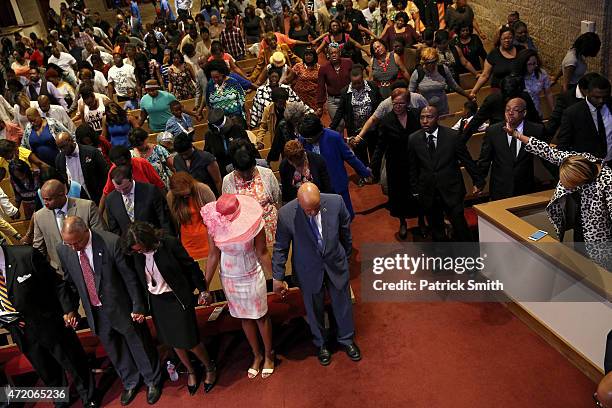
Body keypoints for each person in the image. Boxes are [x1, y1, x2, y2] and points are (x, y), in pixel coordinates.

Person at [57, 216, 163, 405]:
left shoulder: (110, 242)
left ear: (86, 230)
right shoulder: (63, 250)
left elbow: (130, 278)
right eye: (69, 243)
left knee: (139, 344)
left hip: (122, 307)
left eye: (77, 242)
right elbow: (70, 283)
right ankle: (130, 381)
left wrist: (138, 306)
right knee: (115, 349)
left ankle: (152, 380)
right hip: (95, 311)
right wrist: (70, 309)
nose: (73, 247)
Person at [122, 222, 217, 395]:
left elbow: (191, 267)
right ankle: (191, 371)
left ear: (148, 240)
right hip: (158, 302)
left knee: (191, 341)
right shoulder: (136, 255)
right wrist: (140, 307)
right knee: (173, 342)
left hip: (177, 298)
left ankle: (209, 367)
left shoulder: (169, 243)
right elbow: (138, 280)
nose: (139, 252)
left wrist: (203, 290)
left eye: (141, 248)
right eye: (136, 250)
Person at [272, 182, 360, 365]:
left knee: (342, 303)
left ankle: (347, 339)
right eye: (307, 210)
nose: (312, 213)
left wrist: (346, 255)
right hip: (308, 269)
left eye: (316, 208)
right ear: (298, 203)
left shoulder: (336, 202)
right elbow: (280, 247)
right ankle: (321, 344)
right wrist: (278, 276)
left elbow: (346, 233)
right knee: (314, 309)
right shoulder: (287, 214)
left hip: (335, 263)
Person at [0, 243, 97, 407]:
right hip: (20, 331)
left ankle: (89, 397)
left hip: (48, 322)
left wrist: (69, 310)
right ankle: (61, 400)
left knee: (72, 362)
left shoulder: (26, 254)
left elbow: (57, 284)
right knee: (45, 369)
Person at [508, 128, 612, 269]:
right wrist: (517, 135)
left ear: (583, 180)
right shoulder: (577, 160)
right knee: (581, 266)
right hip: (580, 226)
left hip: (600, 240)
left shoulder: (607, 182)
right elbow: (547, 151)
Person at [202, 194, 276, 378]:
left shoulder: (255, 223)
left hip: (251, 272)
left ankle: (269, 354)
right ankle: (256, 355)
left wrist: (276, 277)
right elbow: (213, 255)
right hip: (229, 276)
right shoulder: (214, 223)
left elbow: (262, 252)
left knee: (260, 316)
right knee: (244, 318)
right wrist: (205, 285)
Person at [408, 105, 484, 241]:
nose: (425, 121)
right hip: (428, 192)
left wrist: (478, 181)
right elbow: (413, 168)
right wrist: (416, 191)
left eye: (429, 117)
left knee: (460, 228)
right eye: (422, 117)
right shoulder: (413, 139)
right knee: (437, 231)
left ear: (437, 118)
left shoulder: (452, 136)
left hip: (452, 190)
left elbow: (467, 161)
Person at [372, 88, 423, 239]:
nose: (397, 106)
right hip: (396, 164)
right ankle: (402, 223)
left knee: (418, 194)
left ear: (408, 103)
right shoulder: (386, 121)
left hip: (416, 163)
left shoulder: (416, 115)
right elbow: (380, 146)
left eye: (401, 103)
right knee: (399, 195)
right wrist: (372, 167)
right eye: (395, 103)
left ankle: (421, 220)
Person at [299, 114, 371, 218]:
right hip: (318, 187)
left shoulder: (334, 137)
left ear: (318, 132)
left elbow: (350, 157)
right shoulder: (303, 139)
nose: (306, 140)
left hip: (337, 183)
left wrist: (365, 172)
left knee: (345, 216)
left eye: (309, 138)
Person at [477, 97, 546, 201]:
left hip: (525, 189)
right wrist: (479, 182)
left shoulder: (535, 130)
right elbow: (484, 160)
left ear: (524, 113)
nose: (510, 113)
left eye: (515, 110)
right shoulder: (493, 131)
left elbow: (545, 157)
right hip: (500, 189)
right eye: (507, 110)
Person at [33, 179, 104, 275]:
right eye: (43, 199)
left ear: (62, 194)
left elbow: (100, 236)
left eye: (49, 199)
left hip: (91, 266)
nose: (45, 203)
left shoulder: (87, 207)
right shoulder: (39, 216)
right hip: (61, 273)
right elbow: (39, 248)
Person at [222, 139, 281, 245]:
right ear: (234, 167)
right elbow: (228, 212)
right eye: (241, 172)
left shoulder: (267, 174)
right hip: (245, 233)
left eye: (249, 170)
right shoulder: (228, 181)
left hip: (270, 227)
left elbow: (277, 199)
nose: (246, 175)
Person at [461, 74, 540, 141]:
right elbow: (475, 123)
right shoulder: (492, 100)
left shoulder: (525, 98)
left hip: (521, 139)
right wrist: (460, 142)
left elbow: (536, 120)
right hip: (498, 140)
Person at [105, 164, 172, 236]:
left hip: (154, 239)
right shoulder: (110, 200)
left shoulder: (151, 191)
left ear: (132, 178)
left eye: (126, 188)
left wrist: (168, 240)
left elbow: (164, 220)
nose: (123, 192)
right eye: (118, 189)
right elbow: (115, 230)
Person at [557, 74, 611, 160]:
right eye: (596, 97)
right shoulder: (573, 113)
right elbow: (563, 146)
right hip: (588, 167)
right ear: (587, 93)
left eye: (605, 97)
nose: (601, 101)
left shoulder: (609, 106)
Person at [167, 172, 216, 259]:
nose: (185, 197)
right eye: (181, 196)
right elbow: (175, 220)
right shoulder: (170, 197)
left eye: (187, 194)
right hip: (187, 241)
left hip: (207, 238)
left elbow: (215, 214)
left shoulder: (203, 189)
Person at [470, 26, 524, 97]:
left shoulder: (521, 51)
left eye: (510, 38)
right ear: (500, 39)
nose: (507, 40)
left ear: (513, 38)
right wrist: (473, 92)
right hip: (499, 90)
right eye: (504, 38)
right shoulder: (494, 54)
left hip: (518, 89)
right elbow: (485, 75)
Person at [545, 72, 597, 138]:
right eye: (592, 94)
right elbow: (555, 121)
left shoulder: (602, 97)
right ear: (583, 89)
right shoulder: (566, 98)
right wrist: (545, 141)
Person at [204, 109, 253, 176]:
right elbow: (208, 155)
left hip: (241, 165)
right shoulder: (209, 135)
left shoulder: (237, 129)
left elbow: (249, 148)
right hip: (222, 171)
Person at [316, 45, 353, 120]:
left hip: (349, 98)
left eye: (335, 52)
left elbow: (355, 78)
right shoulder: (323, 68)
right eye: (331, 53)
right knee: (338, 125)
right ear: (328, 55)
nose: (333, 54)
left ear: (339, 53)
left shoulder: (348, 62)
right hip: (333, 101)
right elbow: (321, 87)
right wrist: (320, 105)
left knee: (351, 123)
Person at [516, 49, 554, 118]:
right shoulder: (516, 77)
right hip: (520, 115)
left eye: (535, 63)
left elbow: (548, 93)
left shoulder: (541, 74)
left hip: (536, 112)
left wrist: (553, 110)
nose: (533, 67)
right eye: (530, 64)